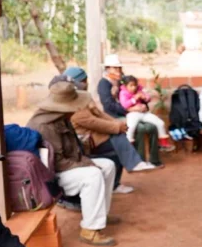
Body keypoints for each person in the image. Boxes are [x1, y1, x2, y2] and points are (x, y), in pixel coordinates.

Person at [27, 82, 119, 247]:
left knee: (108, 165)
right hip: (50, 177)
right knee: (93, 175)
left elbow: (72, 152)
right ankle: (90, 230)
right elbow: (58, 162)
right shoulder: (45, 125)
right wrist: (88, 164)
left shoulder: (61, 117)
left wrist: (86, 159)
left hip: (66, 166)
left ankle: (99, 216)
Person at [62, 68, 157, 196]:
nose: (86, 84)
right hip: (83, 139)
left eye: (86, 81)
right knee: (117, 139)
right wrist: (116, 127)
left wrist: (117, 123)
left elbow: (98, 113)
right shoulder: (70, 102)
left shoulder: (82, 96)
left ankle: (120, 178)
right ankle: (131, 166)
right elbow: (91, 121)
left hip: (94, 134)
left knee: (118, 138)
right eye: (83, 81)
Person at [97, 54, 163, 166]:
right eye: (115, 68)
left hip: (133, 112)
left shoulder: (122, 80)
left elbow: (136, 93)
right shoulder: (104, 84)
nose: (118, 70)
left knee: (152, 126)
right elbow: (109, 106)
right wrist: (129, 109)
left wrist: (143, 104)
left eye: (119, 68)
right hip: (115, 115)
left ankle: (154, 159)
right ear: (107, 68)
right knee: (141, 128)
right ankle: (139, 161)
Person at [118, 75, 173, 151]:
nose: (133, 87)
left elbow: (148, 98)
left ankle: (163, 143)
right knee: (131, 127)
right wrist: (134, 98)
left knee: (160, 123)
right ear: (125, 86)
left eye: (135, 85)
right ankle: (129, 145)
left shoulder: (139, 90)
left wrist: (144, 97)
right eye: (131, 86)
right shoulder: (123, 93)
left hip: (143, 113)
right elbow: (125, 105)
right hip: (133, 113)